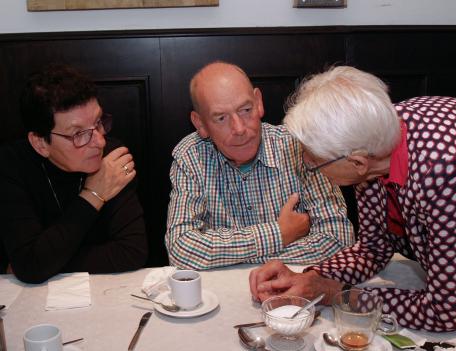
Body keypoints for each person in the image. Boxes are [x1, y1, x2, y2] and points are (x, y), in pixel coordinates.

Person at [249, 66, 456, 332]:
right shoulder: (371, 141)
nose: (308, 163)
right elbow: (372, 249)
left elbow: (443, 313)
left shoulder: (447, 169)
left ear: (356, 162)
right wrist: (312, 278)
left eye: (313, 159)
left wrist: (338, 294)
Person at [165, 62, 354, 269]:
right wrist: (279, 233)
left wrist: (232, 256)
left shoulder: (299, 146)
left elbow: (339, 239)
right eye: (221, 118)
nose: (239, 128)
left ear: (258, 102)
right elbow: (181, 250)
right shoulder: (191, 157)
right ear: (200, 123)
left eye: (246, 110)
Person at [0, 64, 148, 283]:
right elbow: (31, 264)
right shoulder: (12, 165)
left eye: (98, 122)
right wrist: (93, 195)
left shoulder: (112, 158)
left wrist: (43, 264)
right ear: (41, 143)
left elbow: (132, 252)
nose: (99, 141)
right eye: (78, 134)